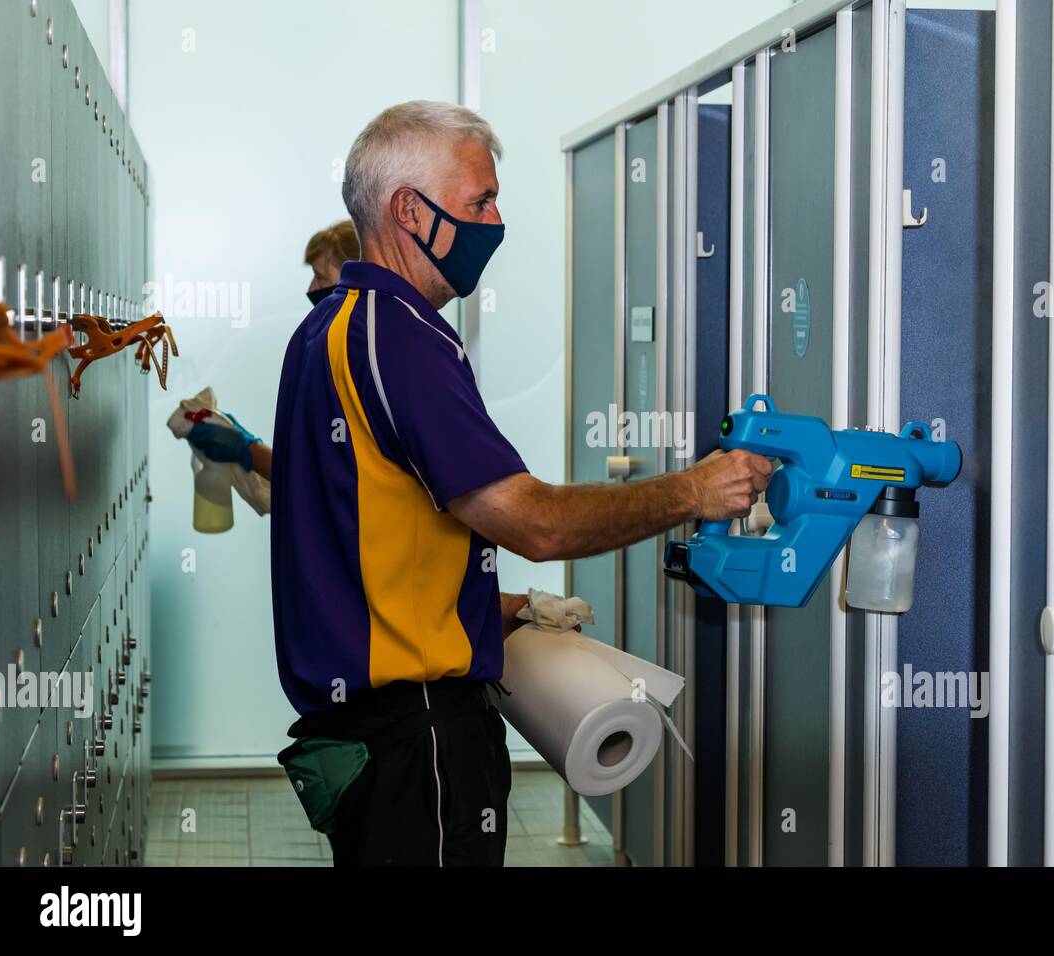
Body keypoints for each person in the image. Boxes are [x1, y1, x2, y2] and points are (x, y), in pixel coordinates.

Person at [270, 100, 773, 867]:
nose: (496, 222)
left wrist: (494, 608)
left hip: (370, 740)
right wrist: (695, 491)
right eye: (480, 202)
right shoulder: (401, 338)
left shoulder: (327, 331)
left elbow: (362, 536)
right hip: (421, 743)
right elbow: (533, 521)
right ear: (410, 209)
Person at [186, 222, 361, 481]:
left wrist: (248, 450)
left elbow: (324, 480)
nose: (311, 289)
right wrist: (247, 446)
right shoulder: (332, 349)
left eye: (321, 276)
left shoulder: (355, 358)